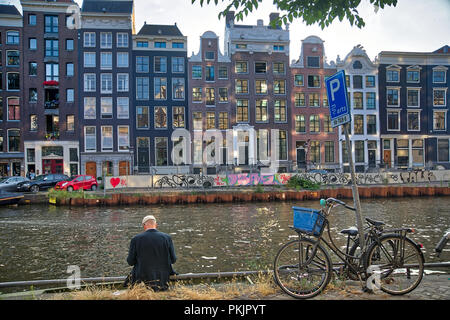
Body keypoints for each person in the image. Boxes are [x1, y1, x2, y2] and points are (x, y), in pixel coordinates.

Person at [126, 215, 177, 291]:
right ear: (156, 225)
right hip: (163, 278)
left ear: (144, 226)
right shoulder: (167, 238)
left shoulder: (136, 239)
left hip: (143, 278)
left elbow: (130, 261)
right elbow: (173, 260)